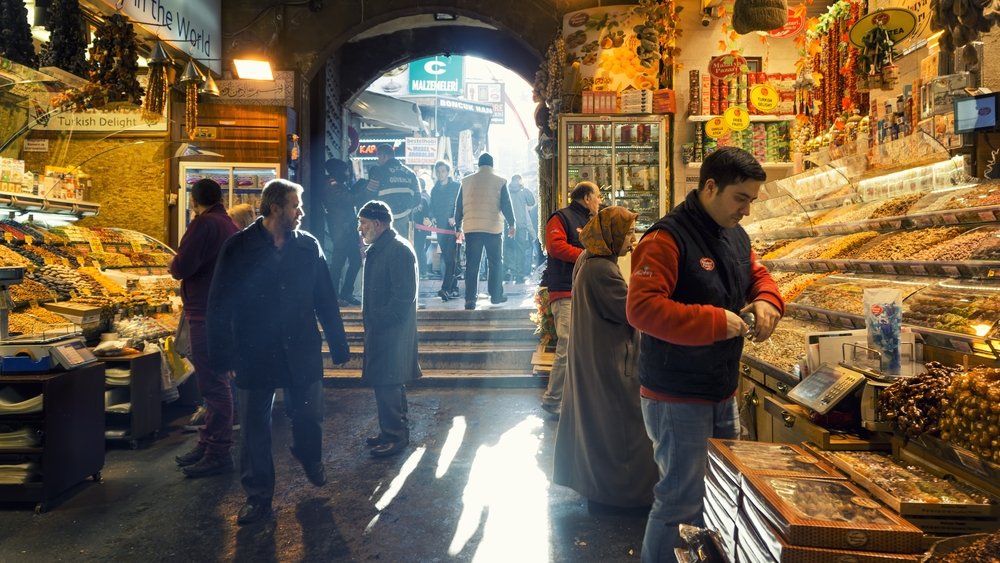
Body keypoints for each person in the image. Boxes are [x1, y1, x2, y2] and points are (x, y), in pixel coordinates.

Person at [625, 147, 784, 561]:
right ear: (710, 186)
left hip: (721, 388)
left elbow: (756, 274)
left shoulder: (735, 234)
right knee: (680, 500)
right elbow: (641, 309)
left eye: (752, 200)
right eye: (740, 198)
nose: (746, 210)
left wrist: (767, 300)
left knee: (717, 492)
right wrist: (715, 322)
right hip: (676, 394)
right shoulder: (665, 238)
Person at [207, 179, 350, 526]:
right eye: (295, 205)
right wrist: (222, 357)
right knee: (255, 427)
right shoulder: (238, 247)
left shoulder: (309, 246)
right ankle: (258, 498)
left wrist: (338, 343)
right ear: (275, 208)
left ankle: (309, 455)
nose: (300, 212)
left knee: (309, 416)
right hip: (254, 350)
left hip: (301, 347)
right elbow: (219, 303)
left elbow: (325, 298)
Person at [552, 206, 657, 511]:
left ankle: (601, 489)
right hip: (611, 362)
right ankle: (623, 495)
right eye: (628, 233)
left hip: (597, 355)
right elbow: (632, 312)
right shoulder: (602, 270)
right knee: (622, 428)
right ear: (611, 235)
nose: (632, 239)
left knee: (598, 426)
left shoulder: (590, 259)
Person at [170, 179, 240, 478]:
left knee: (213, 384)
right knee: (215, 382)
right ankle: (208, 442)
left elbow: (181, 267)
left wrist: (174, 266)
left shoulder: (203, 224)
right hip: (222, 312)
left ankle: (218, 451)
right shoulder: (230, 225)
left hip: (204, 313)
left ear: (193, 201)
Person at [356, 200, 422, 457]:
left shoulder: (397, 250)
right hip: (383, 329)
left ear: (377, 223)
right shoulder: (383, 247)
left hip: (392, 332)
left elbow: (404, 296)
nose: (360, 229)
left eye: (363, 223)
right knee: (385, 384)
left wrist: (380, 319)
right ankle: (389, 431)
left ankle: (396, 436)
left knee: (389, 382)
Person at [539, 181, 601, 417]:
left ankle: (576, 399)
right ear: (586, 197)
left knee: (583, 347)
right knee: (566, 347)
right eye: (597, 196)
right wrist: (588, 254)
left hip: (586, 291)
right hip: (565, 292)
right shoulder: (561, 218)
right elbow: (555, 247)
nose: (600, 200)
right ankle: (553, 400)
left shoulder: (592, 221)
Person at [454, 153, 516, 310]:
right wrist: (512, 223)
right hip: (493, 229)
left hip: (471, 228)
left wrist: (457, 227)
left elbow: (458, 206)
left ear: (479, 165)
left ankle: (470, 300)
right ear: (492, 165)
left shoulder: (466, 181)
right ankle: (495, 296)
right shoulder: (500, 180)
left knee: (472, 265)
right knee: (495, 263)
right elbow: (506, 204)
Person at [322, 158, 363, 306]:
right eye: (345, 170)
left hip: (347, 230)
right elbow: (350, 200)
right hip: (341, 232)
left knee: (356, 260)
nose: (347, 173)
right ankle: (334, 296)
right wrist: (364, 189)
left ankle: (346, 293)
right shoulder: (332, 185)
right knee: (338, 264)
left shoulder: (338, 184)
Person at [366, 143, 420, 241]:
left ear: (384, 156)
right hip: (404, 219)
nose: (377, 161)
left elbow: (369, 195)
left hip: (383, 219)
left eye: (378, 157)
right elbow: (418, 198)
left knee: (384, 249)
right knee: (403, 248)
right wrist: (406, 209)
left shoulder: (378, 172)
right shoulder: (411, 173)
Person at [429, 160, 461, 301]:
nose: (440, 174)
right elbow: (433, 207)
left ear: (448, 172)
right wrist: (431, 217)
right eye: (438, 171)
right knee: (449, 258)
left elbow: (461, 205)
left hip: (455, 228)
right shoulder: (434, 189)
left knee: (451, 258)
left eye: (443, 171)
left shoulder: (456, 186)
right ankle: (454, 288)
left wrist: (455, 217)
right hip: (440, 228)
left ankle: (446, 288)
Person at [506, 174, 537, 282]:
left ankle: (509, 271)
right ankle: (519, 274)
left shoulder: (507, 189)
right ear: (520, 181)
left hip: (508, 225)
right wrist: (524, 187)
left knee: (509, 248)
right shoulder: (523, 190)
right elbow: (532, 202)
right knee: (521, 249)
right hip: (521, 225)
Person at [411, 178, 432, 278]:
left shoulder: (423, 200)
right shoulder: (415, 199)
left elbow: (427, 215)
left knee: (419, 249)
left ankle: (422, 272)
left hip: (420, 229)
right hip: (415, 229)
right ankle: (421, 271)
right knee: (419, 249)